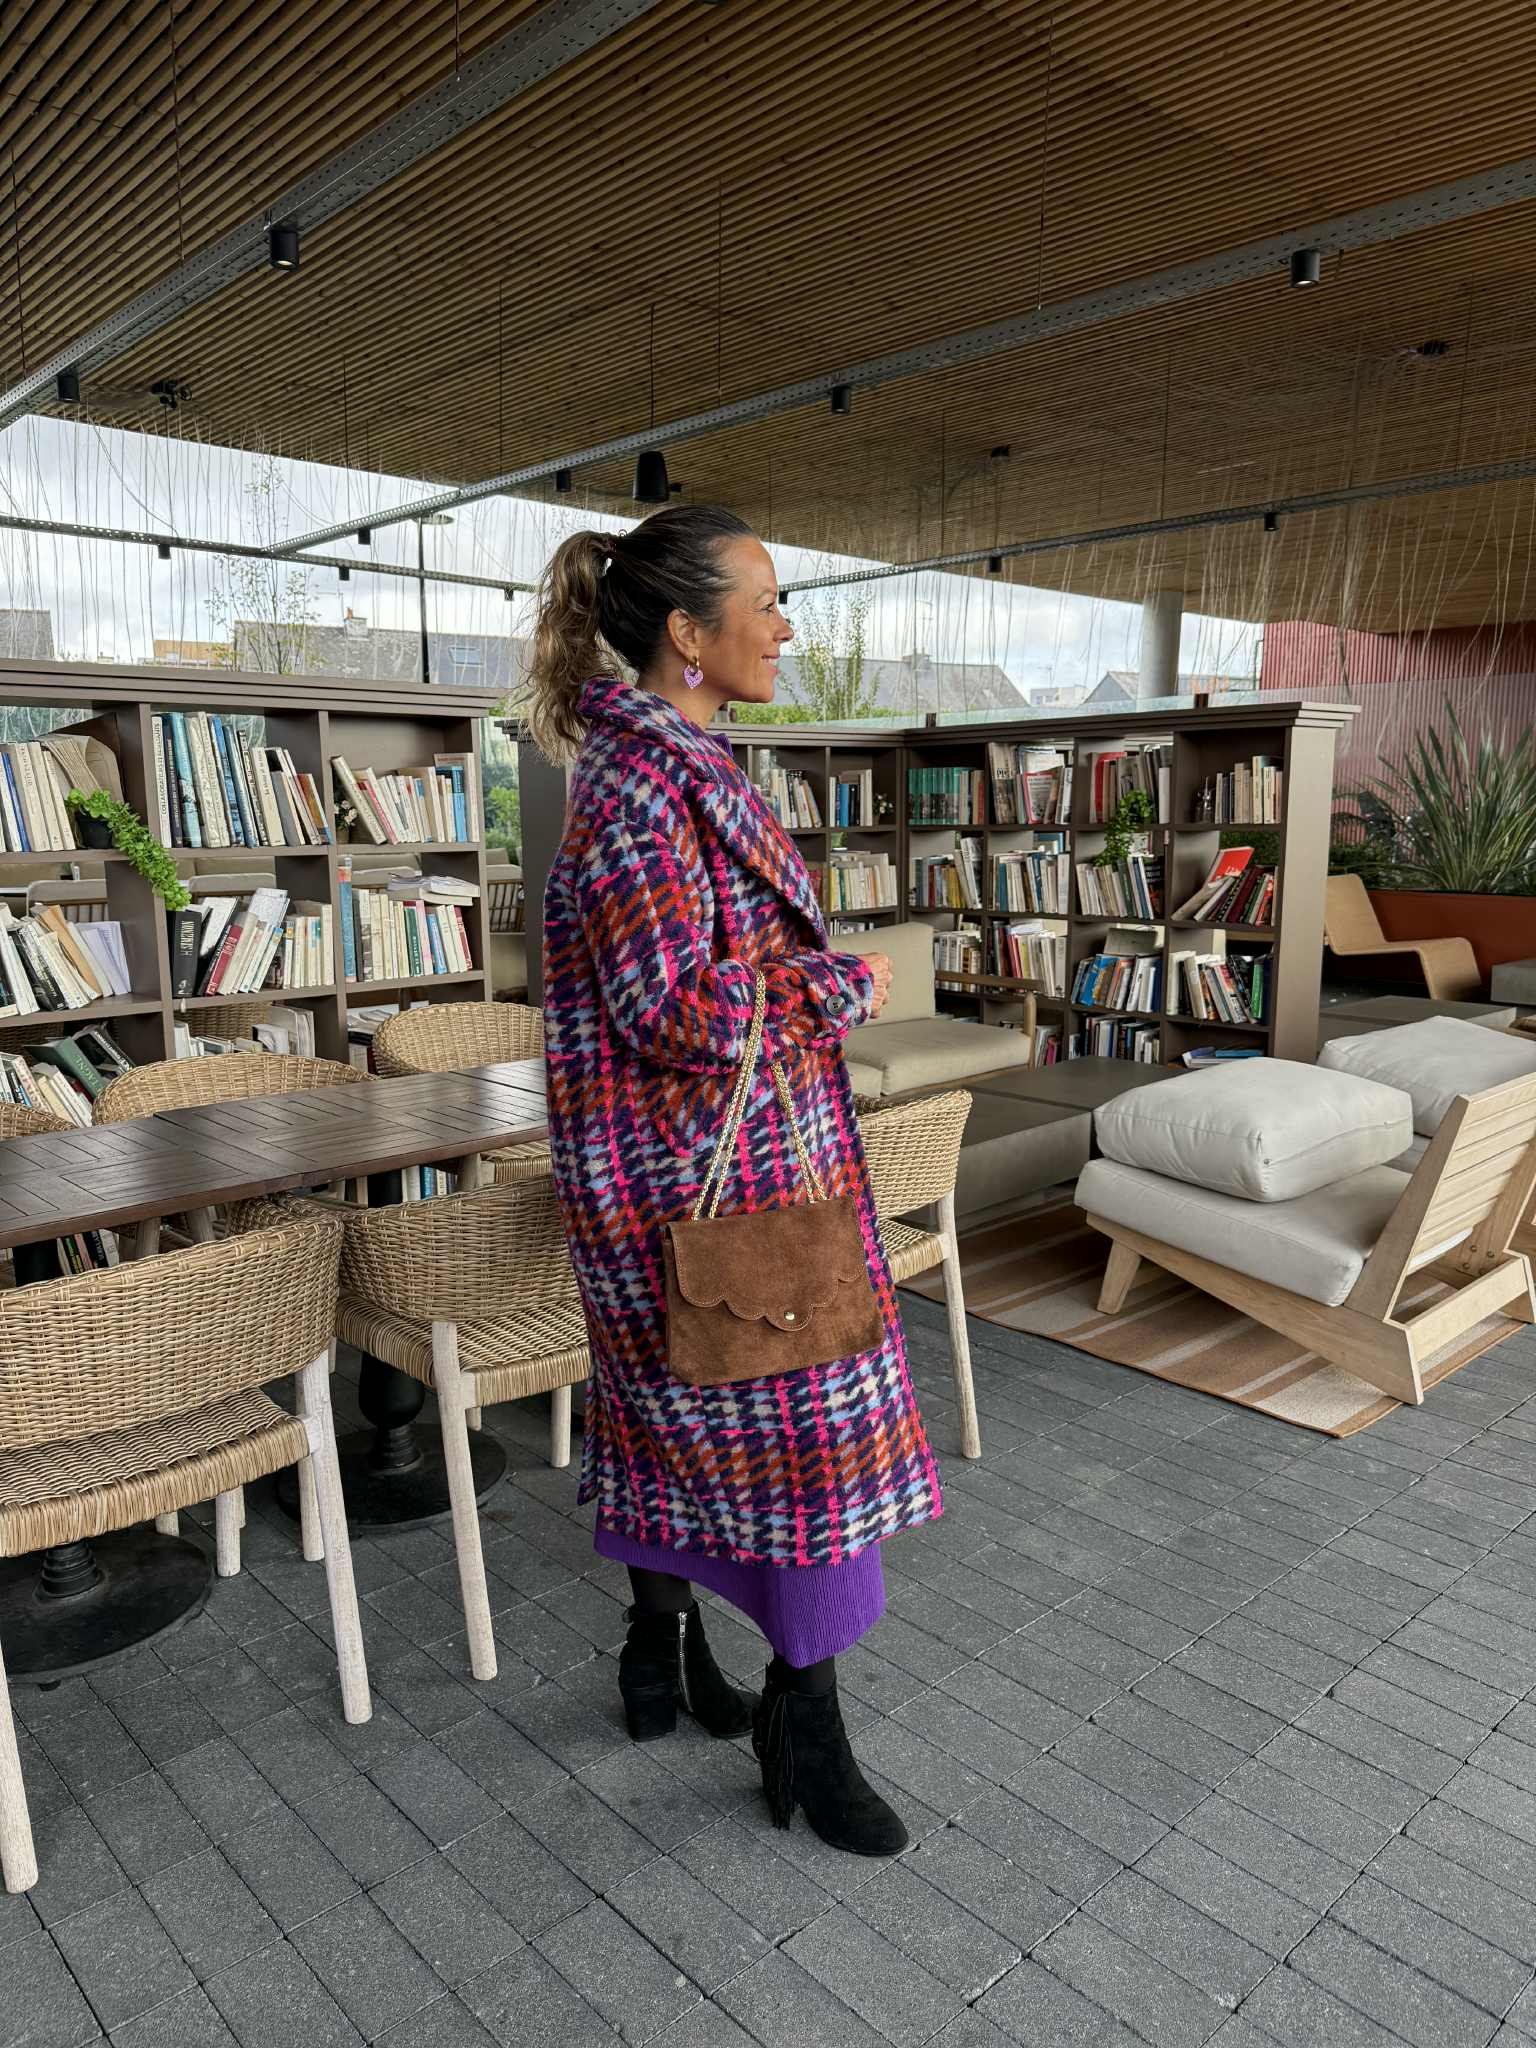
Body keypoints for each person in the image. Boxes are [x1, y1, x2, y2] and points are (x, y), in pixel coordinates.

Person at [526, 504, 942, 1856]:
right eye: (767, 602)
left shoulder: (673, 766)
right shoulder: (644, 791)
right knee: (807, 1456)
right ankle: (803, 1727)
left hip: (706, 1182)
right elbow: (669, 1009)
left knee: (672, 1428)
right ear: (689, 634)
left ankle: (658, 1662)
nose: (785, 628)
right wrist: (839, 981)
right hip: (712, 1194)